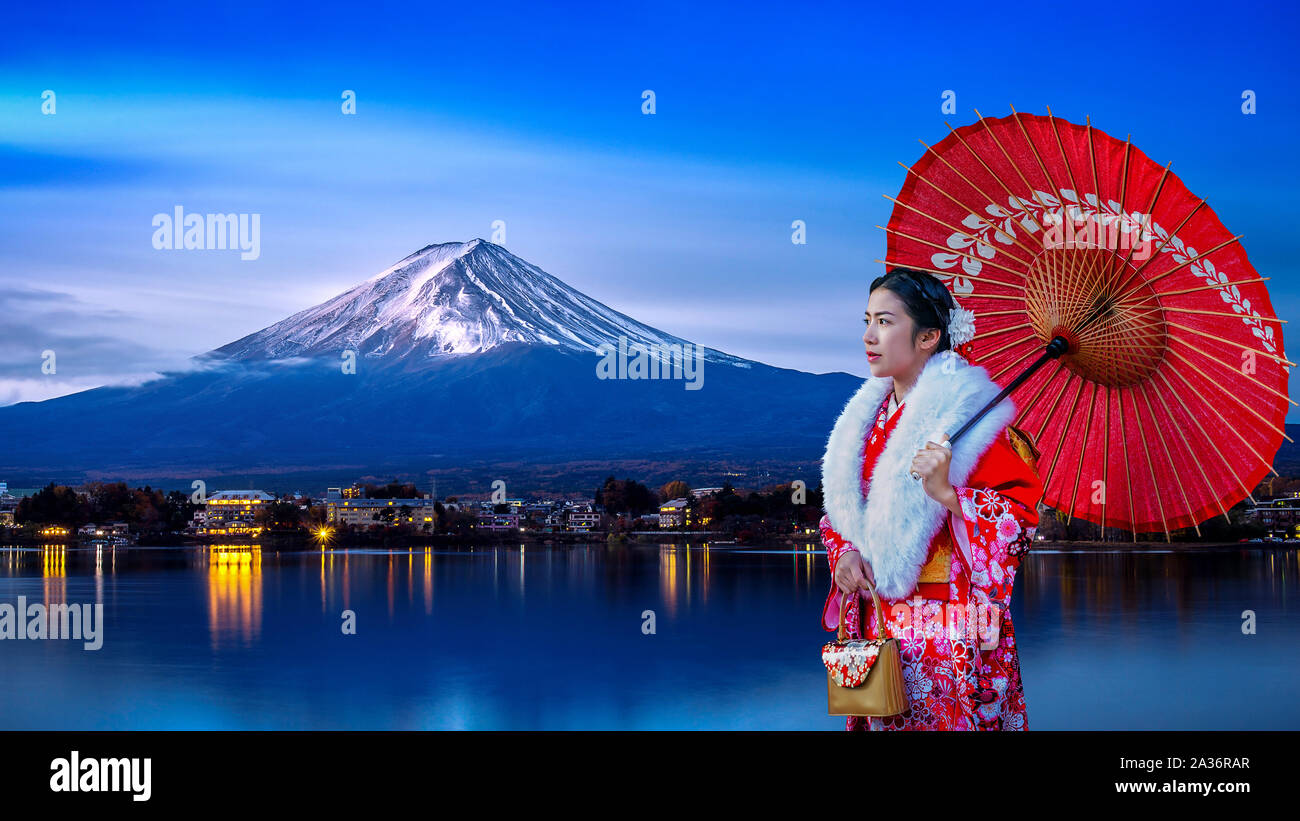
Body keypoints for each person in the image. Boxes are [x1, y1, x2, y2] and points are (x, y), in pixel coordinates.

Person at [820, 267, 1043, 730]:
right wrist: (845, 553)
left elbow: (1020, 521)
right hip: (877, 625)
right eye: (866, 321)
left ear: (928, 337)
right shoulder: (865, 423)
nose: (868, 336)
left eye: (884, 322)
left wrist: (947, 492)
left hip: (950, 630)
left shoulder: (973, 424)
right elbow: (841, 518)